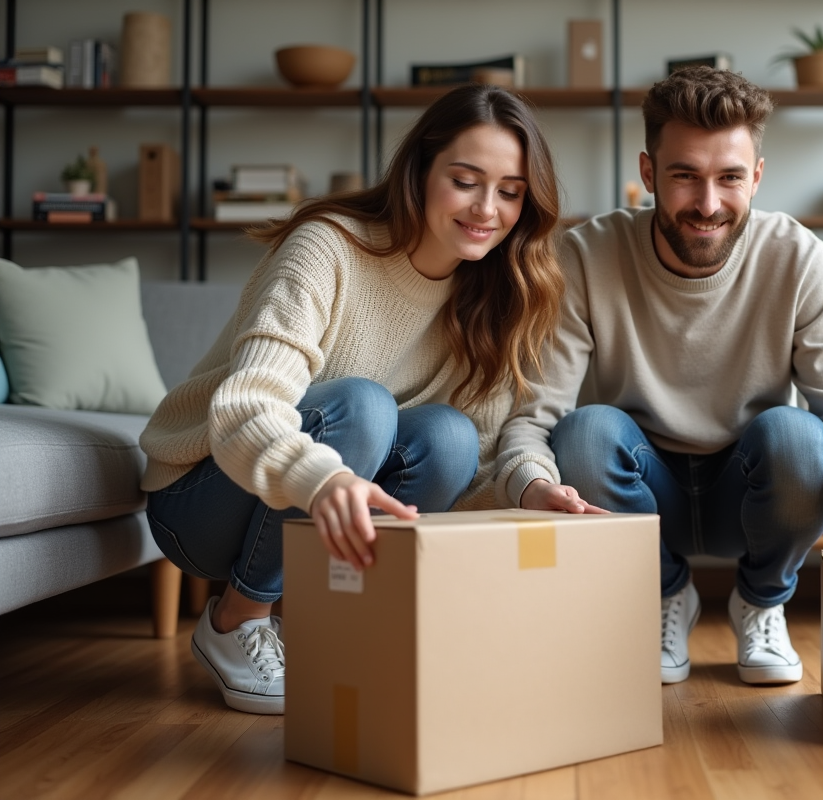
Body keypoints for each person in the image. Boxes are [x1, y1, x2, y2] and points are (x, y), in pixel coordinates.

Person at [140, 84, 564, 714]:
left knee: (447, 435)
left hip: (308, 515)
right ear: (420, 171)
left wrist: (527, 487)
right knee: (365, 409)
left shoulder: (497, 295)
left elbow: (471, 462)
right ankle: (237, 618)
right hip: (201, 499)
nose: (487, 210)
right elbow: (243, 412)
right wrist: (324, 479)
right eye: (466, 180)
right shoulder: (327, 248)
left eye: (509, 191)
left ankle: (339, 621)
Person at [495, 67, 823, 686]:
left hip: (753, 489)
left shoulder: (798, 256)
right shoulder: (585, 255)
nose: (708, 204)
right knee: (585, 433)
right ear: (648, 173)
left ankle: (761, 601)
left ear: (756, 176)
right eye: (684, 176)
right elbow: (535, 414)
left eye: (730, 177)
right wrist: (528, 483)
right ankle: (664, 595)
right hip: (638, 493)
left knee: (800, 436)